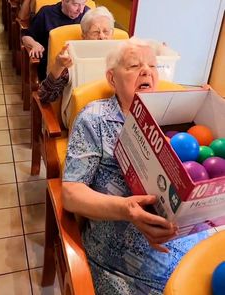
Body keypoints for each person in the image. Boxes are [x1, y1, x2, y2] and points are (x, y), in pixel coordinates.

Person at [61, 37, 209, 295]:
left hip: (193, 243)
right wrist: (126, 209)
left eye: (153, 66)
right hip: (127, 265)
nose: (146, 71)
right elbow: (71, 193)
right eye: (133, 66)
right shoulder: (95, 119)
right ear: (111, 79)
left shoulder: (177, 115)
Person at [38, 6, 116, 128]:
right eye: (96, 32)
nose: (102, 36)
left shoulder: (122, 58)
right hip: (82, 125)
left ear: (113, 33)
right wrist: (58, 67)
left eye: (106, 31)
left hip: (114, 122)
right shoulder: (71, 59)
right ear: (83, 36)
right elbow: (45, 96)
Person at [21, 0, 90, 81]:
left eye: (83, 4)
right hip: (50, 69)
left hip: (79, 68)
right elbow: (26, 37)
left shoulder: (88, 14)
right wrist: (34, 44)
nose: (80, 10)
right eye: (76, 5)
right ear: (64, 1)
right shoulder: (46, 13)